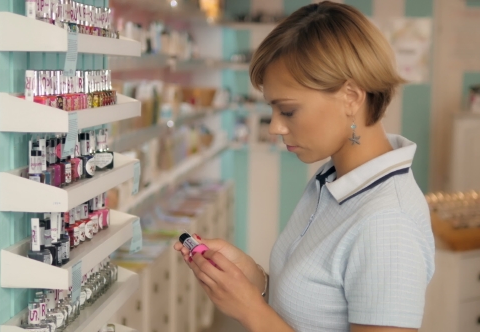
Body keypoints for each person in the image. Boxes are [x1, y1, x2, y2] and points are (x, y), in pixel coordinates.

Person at [174, 2, 435, 331]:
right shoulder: (332, 179)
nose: (275, 128)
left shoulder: (387, 224)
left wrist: (251, 311)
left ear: (351, 97)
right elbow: (313, 309)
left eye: (288, 110)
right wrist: (251, 278)